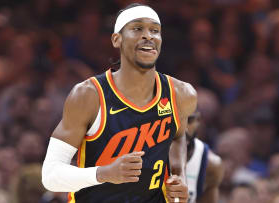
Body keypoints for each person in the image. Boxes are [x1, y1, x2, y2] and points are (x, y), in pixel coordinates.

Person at [42, 3, 197, 203]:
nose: (148, 35)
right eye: (137, 28)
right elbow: (50, 176)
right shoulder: (89, 95)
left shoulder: (182, 94)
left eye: (155, 30)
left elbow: (177, 137)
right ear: (117, 39)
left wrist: (179, 176)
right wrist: (104, 173)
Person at [185, 111, 224, 203]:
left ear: (198, 120)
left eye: (188, 120)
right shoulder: (148, 151)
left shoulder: (211, 164)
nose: (183, 127)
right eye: (178, 120)